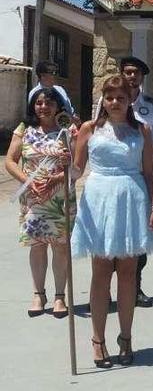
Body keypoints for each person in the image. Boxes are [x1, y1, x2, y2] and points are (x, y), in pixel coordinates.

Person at [70, 75, 153, 368]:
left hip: (132, 200)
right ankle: (98, 339)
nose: (114, 103)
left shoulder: (142, 130)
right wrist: (64, 164)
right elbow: (76, 170)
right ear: (103, 100)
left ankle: (126, 336)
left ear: (129, 100)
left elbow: (149, 172)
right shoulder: (89, 128)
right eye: (109, 97)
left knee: (128, 272)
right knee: (101, 272)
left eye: (120, 98)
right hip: (99, 199)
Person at [5, 88, 76, 318]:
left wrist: (60, 173)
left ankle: (59, 296)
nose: (43, 107)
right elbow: (10, 161)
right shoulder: (24, 129)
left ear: (58, 106)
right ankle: (38, 293)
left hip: (59, 196)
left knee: (60, 246)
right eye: (39, 103)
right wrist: (28, 181)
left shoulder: (68, 130)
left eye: (49, 103)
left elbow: (77, 164)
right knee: (37, 246)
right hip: (33, 196)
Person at [101, 56, 153, 308]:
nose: (132, 76)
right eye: (127, 72)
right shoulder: (106, 101)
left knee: (136, 243)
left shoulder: (150, 106)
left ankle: (134, 287)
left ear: (142, 77)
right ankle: (104, 288)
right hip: (111, 178)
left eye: (136, 73)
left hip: (138, 173)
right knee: (108, 242)